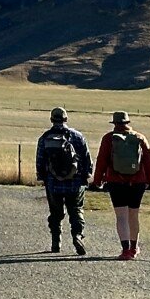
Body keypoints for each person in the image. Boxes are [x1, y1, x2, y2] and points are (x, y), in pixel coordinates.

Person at [90, 110, 150, 261]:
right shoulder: (139, 137)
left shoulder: (108, 139)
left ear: (114, 123)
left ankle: (125, 249)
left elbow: (102, 161)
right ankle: (134, 247)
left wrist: (97, 180)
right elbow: (148, 161)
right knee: (134, 215)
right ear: (127, 123)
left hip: (115, 181)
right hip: (138, 182)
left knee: (121, 216)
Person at [34, 107, 92, 256]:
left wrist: (42, 176)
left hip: (53, 184)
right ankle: (77, 236)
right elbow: (86, 158)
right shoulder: (78, 136)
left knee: (55, 213)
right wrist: (86, 175)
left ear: (52, 119)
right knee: (76, 210)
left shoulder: (45, 138)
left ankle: (56, 242)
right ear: (66, 119)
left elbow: (40, 160)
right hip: (75, 183)